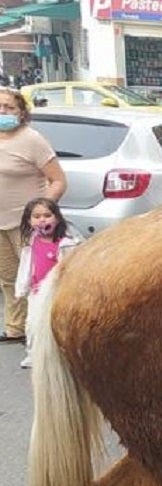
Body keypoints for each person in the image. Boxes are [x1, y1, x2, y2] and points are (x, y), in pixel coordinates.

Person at [0, 86, 65, 344]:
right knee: (8, 277)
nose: (3, 112)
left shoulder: (32, 140)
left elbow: (58, 181)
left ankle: (47, 330)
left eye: (9, 107)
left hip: (25, 224)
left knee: (38, 278)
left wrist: (39, 213)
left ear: (22, 112)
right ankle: (16, 328)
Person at [15, 197, 78, 368]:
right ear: (29, 221)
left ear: (57, 218)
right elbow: (26, 266)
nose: (42, 220)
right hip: (36, 292)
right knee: (33, 324)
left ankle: (63, 355)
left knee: (58, 325)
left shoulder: (66, 244)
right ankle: (34, 354)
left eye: (47, 215)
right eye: (36, 216)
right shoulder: (31, 242)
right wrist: (22, 287)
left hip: (57, 293)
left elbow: (72, 269)